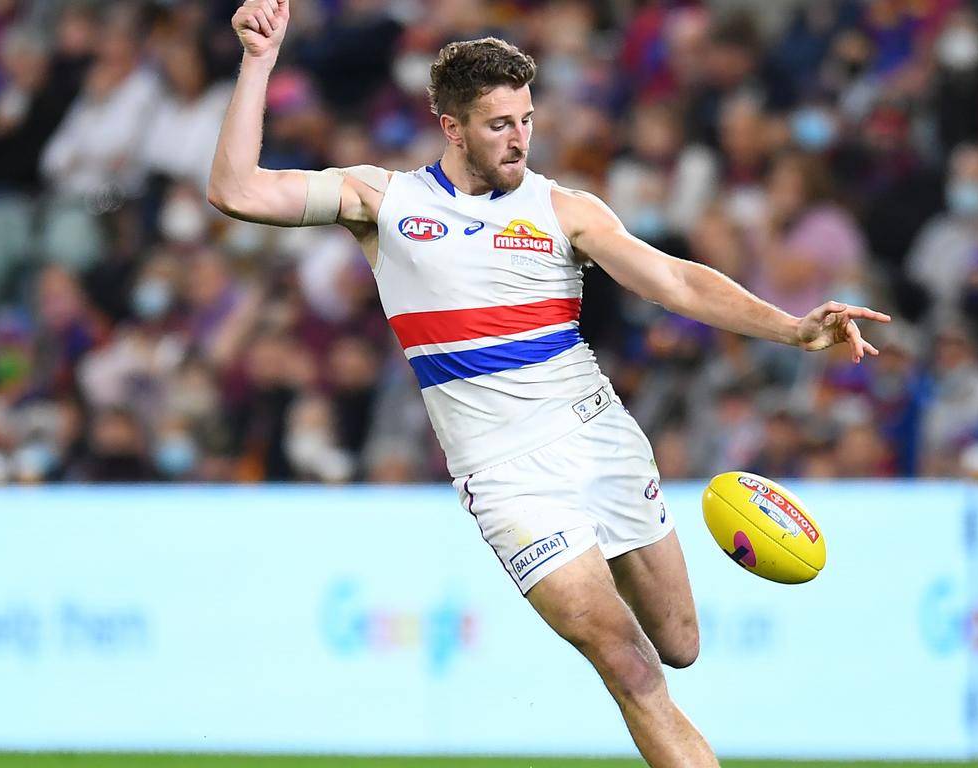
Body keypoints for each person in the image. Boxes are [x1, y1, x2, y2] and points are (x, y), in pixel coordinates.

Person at [207, 1, 891, 765]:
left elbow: (675, 283)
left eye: (527, 119)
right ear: (453, 127)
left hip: (600, 441)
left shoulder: (565, 209)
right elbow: (236, 190)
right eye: (499, 123)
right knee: (629, 664)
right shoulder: (386, 202)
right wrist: (259, 62)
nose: (519, 138)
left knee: (679, 645)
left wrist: (794, 329)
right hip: (507, 482)